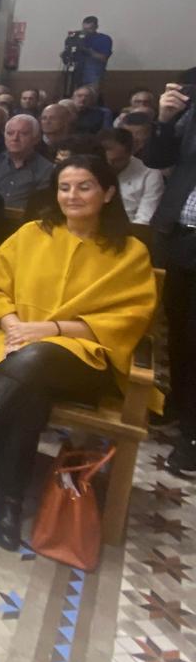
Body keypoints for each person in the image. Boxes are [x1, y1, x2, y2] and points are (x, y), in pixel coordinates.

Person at [0, 155, 155, 549]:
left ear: (108, 193)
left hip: (85, 358)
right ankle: (7, 503)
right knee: (30, 389)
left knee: (37, 359)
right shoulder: (34, 233)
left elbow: (125, 319)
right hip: (17, 346)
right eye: (65, 187)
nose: (72, 195)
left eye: (84, 186)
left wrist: (48, 330)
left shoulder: (129, 251)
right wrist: (14, 324)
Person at [144, 84, 196, 472]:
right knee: (176, 329)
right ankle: (178, 405)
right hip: (180, 233)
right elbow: (157, 157)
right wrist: (163, 120)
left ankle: (193, 435)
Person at [0, 114, 54, 208]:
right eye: (10, 133)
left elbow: (41, 207)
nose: (15, 138)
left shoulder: (47, 169)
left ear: (36, 139)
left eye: (23, 133)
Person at [101, 128, 163, 225]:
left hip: (129, 230)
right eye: (106, 160)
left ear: (131, 153)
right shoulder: (91, 169)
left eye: (117, 160)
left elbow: (144, 219)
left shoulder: (150, 175)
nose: (110, 165)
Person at [70, 15, 113, 91]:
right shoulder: (79, 38)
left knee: (91, 97)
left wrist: (87, 50)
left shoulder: (104, 39)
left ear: (96, 27)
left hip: (93, 76)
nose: (86, 32)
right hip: (78, 74)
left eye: (89, 29)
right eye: (84, 29)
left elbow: (103, 58)